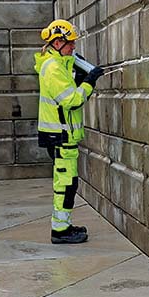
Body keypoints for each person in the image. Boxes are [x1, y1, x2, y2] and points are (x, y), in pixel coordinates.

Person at [34, 20, 104, 244]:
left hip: (63, 136)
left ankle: (63, 226)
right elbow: (72, 101)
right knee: (65, 185)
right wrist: (89, 82)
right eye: (70, 43)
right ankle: (60, 231)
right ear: (57, 42)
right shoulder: (53, 68)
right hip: (60, 137)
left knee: (67, 183)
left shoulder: (59, 63)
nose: (73, 47)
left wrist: (81, 76)